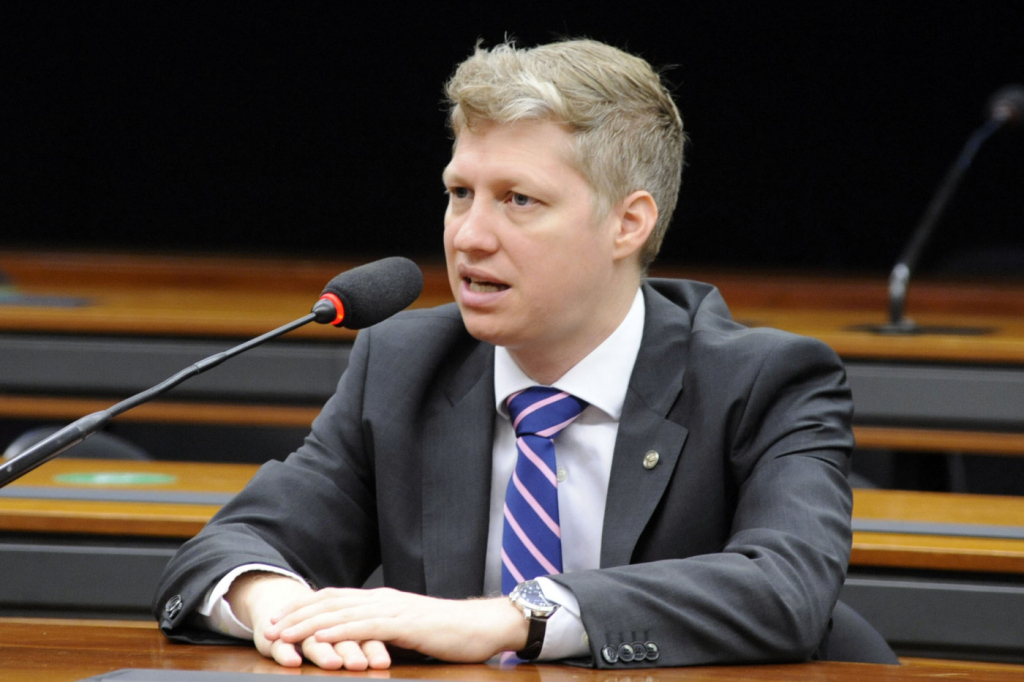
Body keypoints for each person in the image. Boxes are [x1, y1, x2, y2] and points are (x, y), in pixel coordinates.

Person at [155, 38, 884, 670]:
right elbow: (230, 550)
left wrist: (510, 618)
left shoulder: (761, 381)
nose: (469, 236)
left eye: (518, 200)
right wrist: (283, 610)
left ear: (628, 223)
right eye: (460, 192)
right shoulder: (405, 364)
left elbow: (785, 588)